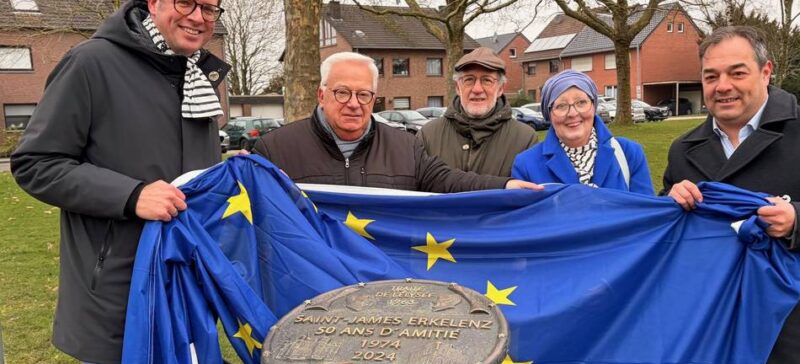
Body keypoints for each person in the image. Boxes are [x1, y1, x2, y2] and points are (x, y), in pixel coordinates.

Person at [10, 0, 229, 364]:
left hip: (181, 297)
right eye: (187, 2)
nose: (200, 17)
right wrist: (131, 196)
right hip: (116, 299)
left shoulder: (197, 75)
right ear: (153, 3)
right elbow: (35, 163)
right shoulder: (91, 63)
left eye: (211, 7)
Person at [661, 26, 800, 364]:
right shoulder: (685, 149)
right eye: (710, 76)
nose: (723, 87)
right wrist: (668, 202)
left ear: (766, 71)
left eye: (737, 73)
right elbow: (669, 243)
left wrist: (796, 222)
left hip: (788, 336)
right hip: (714, 335)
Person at [253, 52, 539, 192]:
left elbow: (450, 180)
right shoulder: (274, 150)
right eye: (342, 92)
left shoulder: (405, 146)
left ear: (374, 97)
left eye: (363, 94)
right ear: (321, 94)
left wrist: (505, 186)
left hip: (382, 283)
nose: (353, 103)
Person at [511, 69, 654, 194]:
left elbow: (646, 216)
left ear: (593, 106)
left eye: (581, 102)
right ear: (549, 114)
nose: (572, 113)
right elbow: (527, 221)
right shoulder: (526, 165)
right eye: (561, 106)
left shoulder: (629, 153)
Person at [416, 47, 538, 176]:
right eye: (469, 80)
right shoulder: (428, 136)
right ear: (458, 87)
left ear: (501, 89)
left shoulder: (525, 139)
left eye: (487, 80)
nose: (477, 89)